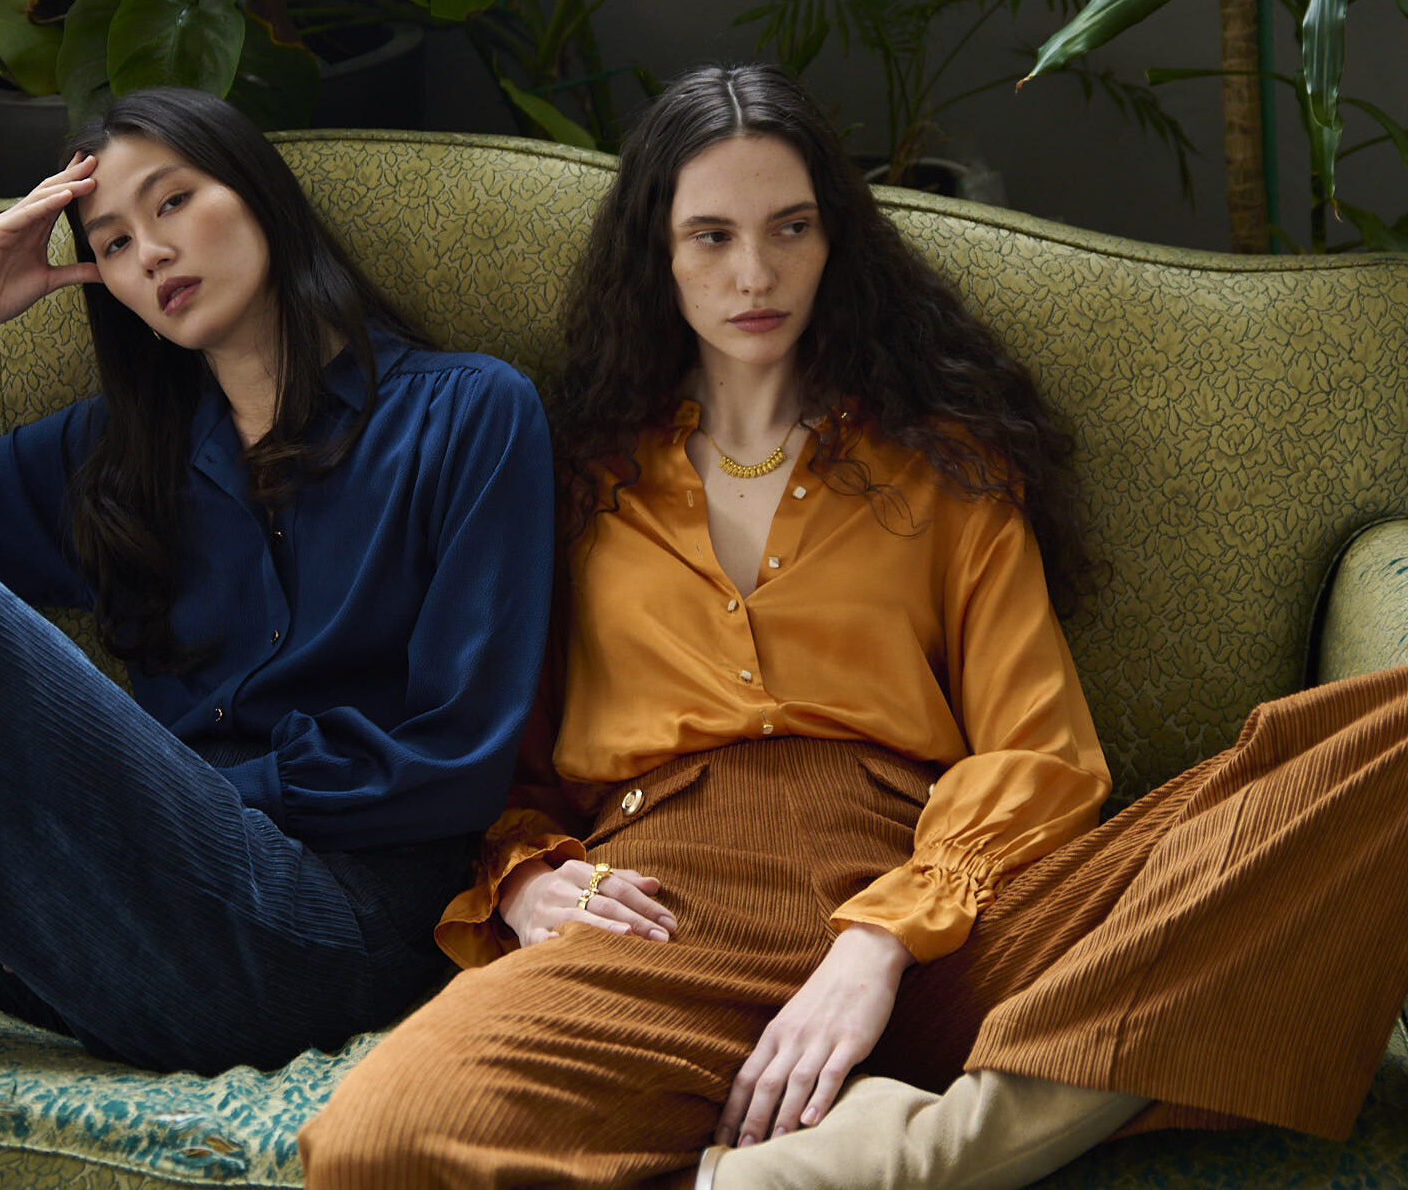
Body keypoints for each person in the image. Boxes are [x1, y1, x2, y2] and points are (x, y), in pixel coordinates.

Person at [298, 63, 1408, 1187]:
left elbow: (1039, 754)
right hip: (663, 917)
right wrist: (527, 878)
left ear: (835, 240)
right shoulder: (579, 484)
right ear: (654, 255)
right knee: (370, 1147)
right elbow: (502, 761)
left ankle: (919, 1151)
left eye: (790, 227)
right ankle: (883, 1150)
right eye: (710, 237)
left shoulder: (943, 466)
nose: (755, 273)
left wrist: (875, 944)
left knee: (1392, 741)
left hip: (947, 923)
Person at [0, 87, 553, 1074]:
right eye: (112, 243)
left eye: (173, 202)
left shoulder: (472, 414)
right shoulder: (117, 461)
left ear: (258, 194)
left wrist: (162, 789)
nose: (149, 252)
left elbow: (453, 760)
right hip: (94, 923)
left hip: (323, 932)